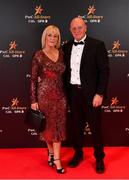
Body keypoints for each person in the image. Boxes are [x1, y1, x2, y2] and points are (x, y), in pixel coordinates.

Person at [63, 17, 109, 173]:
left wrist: (100, 93)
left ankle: (99, 158)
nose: (77, 30)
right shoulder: (67, 46)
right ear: (70, 30)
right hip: (73, 93)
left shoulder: (97, 45)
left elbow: (104, 71)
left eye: (80, 27)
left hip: (92, 95)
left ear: (86, 27)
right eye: (74, 28)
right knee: (76, 127)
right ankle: (78, 153)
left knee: (95, 127)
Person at [30, 25, 66, 174]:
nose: (52, 38)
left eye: (55, 36)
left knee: (58, 129)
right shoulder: (38, 55)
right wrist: (33, 100)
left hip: (60, 97)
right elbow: (33, 80)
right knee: (47, 129)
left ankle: (56, 158)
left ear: (58, 38)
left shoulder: (62, 53)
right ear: (45, 37)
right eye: (50, 35)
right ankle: (51, 153)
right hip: (44, 97)